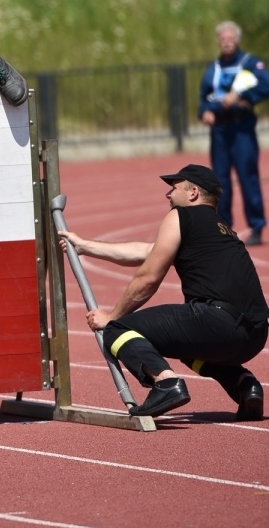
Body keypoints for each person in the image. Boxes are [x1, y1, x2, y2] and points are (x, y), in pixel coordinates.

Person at [58, 164, 268, 419]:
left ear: (192, 193)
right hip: (255, 334)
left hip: (218, 322)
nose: (167, 195)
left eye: (173, 188)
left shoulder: (182, 216)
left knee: (119, 329)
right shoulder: (221, 229)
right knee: (189, 352)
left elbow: (148, 278)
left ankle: (166, 383)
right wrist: (85, 246)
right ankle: (245, 384)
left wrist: (113, 316)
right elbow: (147, 252)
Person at [198, 20, 269, 246]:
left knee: (248, 177)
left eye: (231, 39)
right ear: (218, 41)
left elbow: (265, 86)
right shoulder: (213, 68)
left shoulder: (251, 63)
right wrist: (205, 113)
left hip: (242, 129)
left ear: (237, 40)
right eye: (223, 39)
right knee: (220, 180)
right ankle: (223, 227)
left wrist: (241, 97)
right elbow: (204, 99)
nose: (227, 43)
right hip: (220, 131)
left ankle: (257, 226)